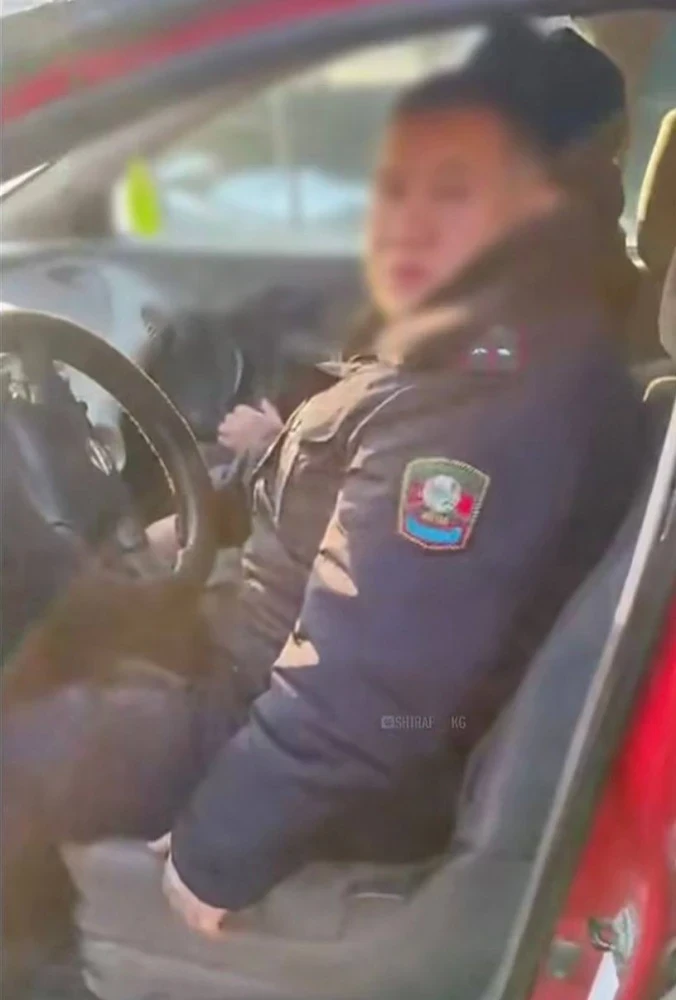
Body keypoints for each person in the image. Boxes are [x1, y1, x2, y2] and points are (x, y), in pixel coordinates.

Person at [3, 17, 649, 958]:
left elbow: (384, 675)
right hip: (260, 665)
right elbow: (359, 476)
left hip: (277, 731)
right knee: (64, 638)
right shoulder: (501, 320)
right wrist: (223, 500)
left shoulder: (494, 384)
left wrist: (221, 845)